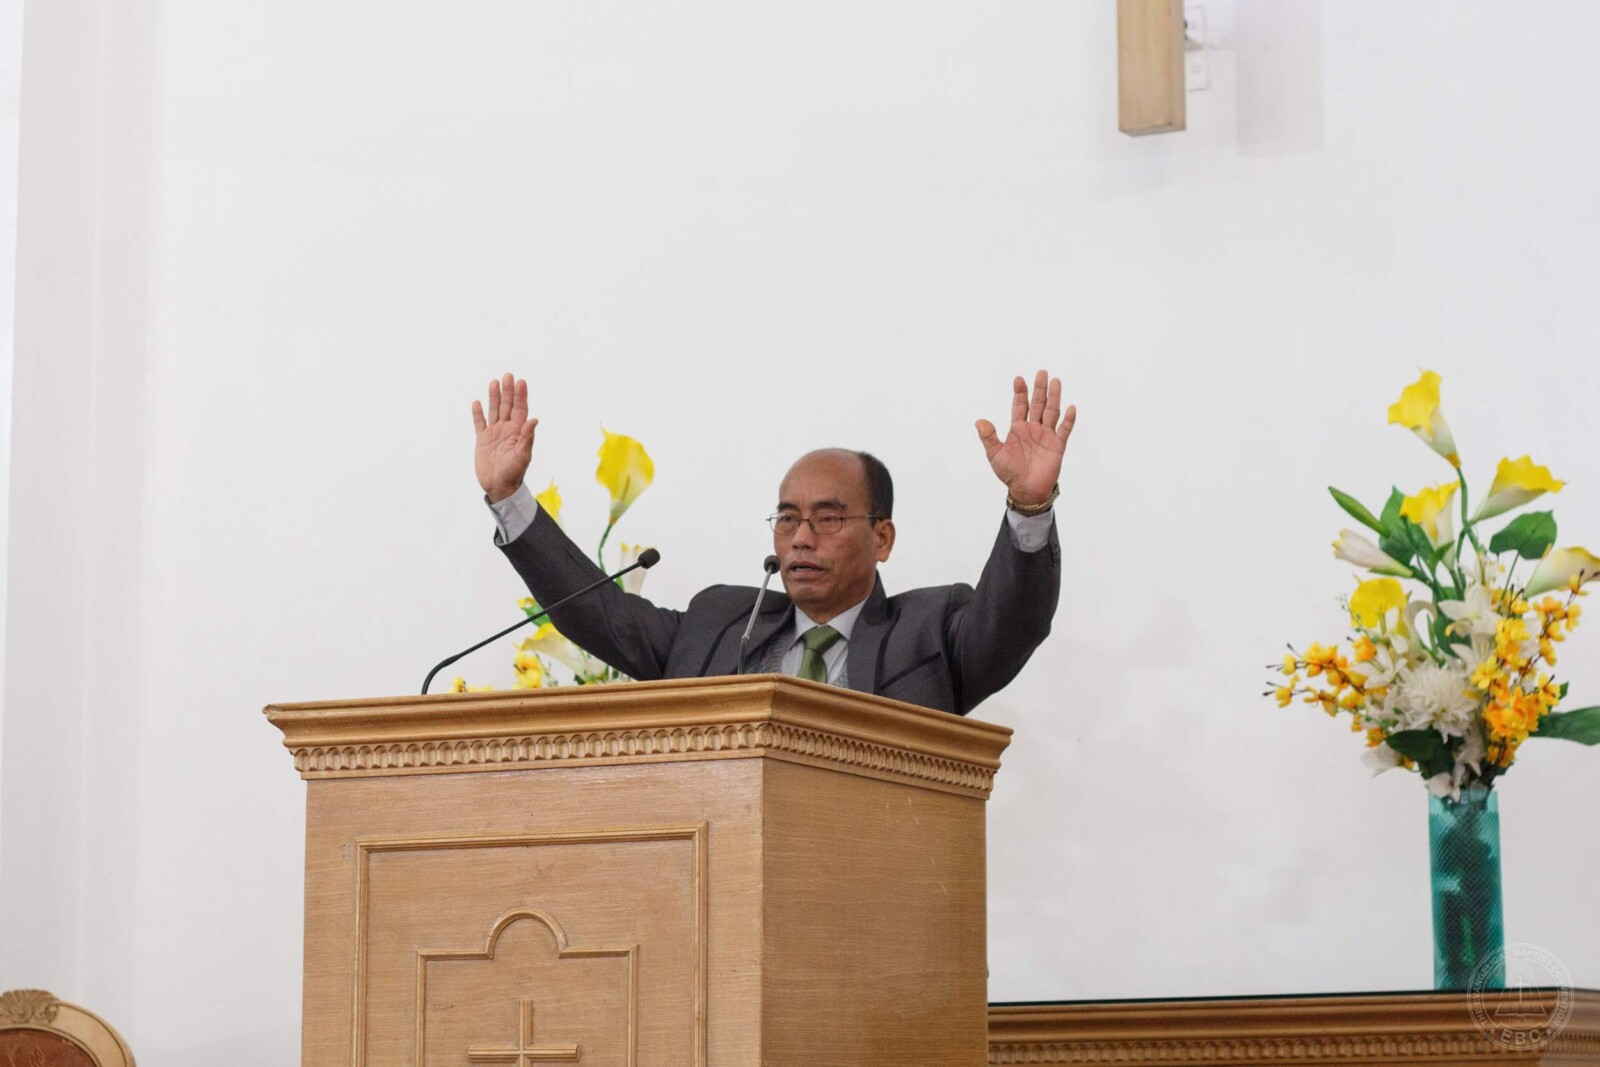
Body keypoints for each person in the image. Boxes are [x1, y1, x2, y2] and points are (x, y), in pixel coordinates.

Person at [471, 371, 1075, 715]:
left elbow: (1013, 620)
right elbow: (597, 613)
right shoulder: (719, 624)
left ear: (882, 537)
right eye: (787, 520)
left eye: (828, 519)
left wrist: (1030, 507)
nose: (801, 539)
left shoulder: (931, 632)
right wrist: (510, 498)